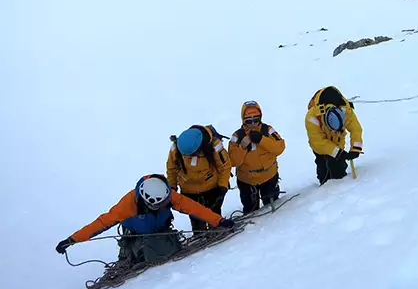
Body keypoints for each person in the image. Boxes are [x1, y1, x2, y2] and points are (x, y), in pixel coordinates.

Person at [54, 174, 234, 264]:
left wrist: (219, 221)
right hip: (135, 234)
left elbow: (195, 209)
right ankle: (132, 252)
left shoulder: (167, 194)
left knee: (159, 251)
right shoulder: (128, 205)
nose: (162, 205)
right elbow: (101, 223)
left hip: (160, 229)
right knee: (142, 256)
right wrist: (72, 240)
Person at [167, 125, 231, 232]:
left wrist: (222, 187)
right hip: (189, 192)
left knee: (214, 215)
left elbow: (225, 166)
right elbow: (171, 169)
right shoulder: (175, 148)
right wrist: (172, 188)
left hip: (212, 189)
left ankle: (217, 235)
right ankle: (200, 234)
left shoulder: (214, 146)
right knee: (196, 218)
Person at [229, 100, 286, 214]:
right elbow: (233, 161)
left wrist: (261, 139)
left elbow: (280, 148)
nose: (253, 124)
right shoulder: (237, 136)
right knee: (251, 212)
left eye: (256, 120)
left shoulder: (267, 130)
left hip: (269, 177)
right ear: (243, 120)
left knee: (273, 208)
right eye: (249, 121)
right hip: (247, 181)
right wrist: (243, 147)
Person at [305, 86, 363, 185]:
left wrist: (355, 149)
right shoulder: (312, 117)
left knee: (338, 167)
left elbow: (356, 129)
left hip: (338, 140)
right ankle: (324, 185)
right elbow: (317, 143)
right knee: (322, 166)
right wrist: (338, 153)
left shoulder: (346, 111)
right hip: (319, 146)